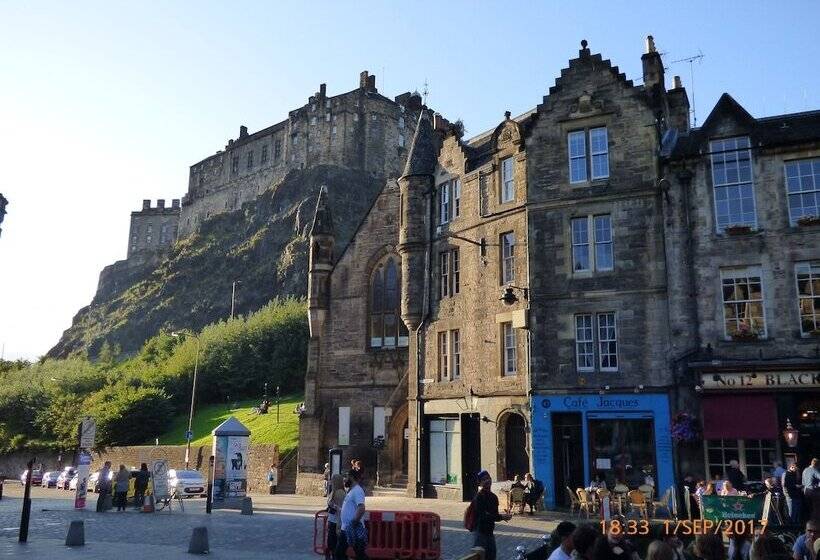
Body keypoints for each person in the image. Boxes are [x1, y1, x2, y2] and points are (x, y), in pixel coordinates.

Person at [471, 470, 512, 560]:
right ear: (480, 483)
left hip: (490, 533)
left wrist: (502, 516)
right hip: (480, 532)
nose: (487, 481)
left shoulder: (494, 497)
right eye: (484, 479)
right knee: (480, 557)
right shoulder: (479, 497)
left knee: (491, 556)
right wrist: (501, 517)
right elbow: (483, 516)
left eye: (488, 478)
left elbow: (494, 515)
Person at [337, 469, 367, 560]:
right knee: (340, 553)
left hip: (352, 528)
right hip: (346, 528)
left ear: (352, 477)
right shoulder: (351, 490)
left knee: (358, 554)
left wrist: (353, 522)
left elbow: (361, 507)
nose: (344, 479)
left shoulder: (357, 490)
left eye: (346, 477)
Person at [325, 474, 345, 560]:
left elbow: (342, 509)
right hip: (332, 520)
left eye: (332, 480)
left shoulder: (340, 493)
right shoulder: (334, 491)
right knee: (331, 544)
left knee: (334, 545)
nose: (330, 482)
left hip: (336, 522)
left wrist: (334, 506)